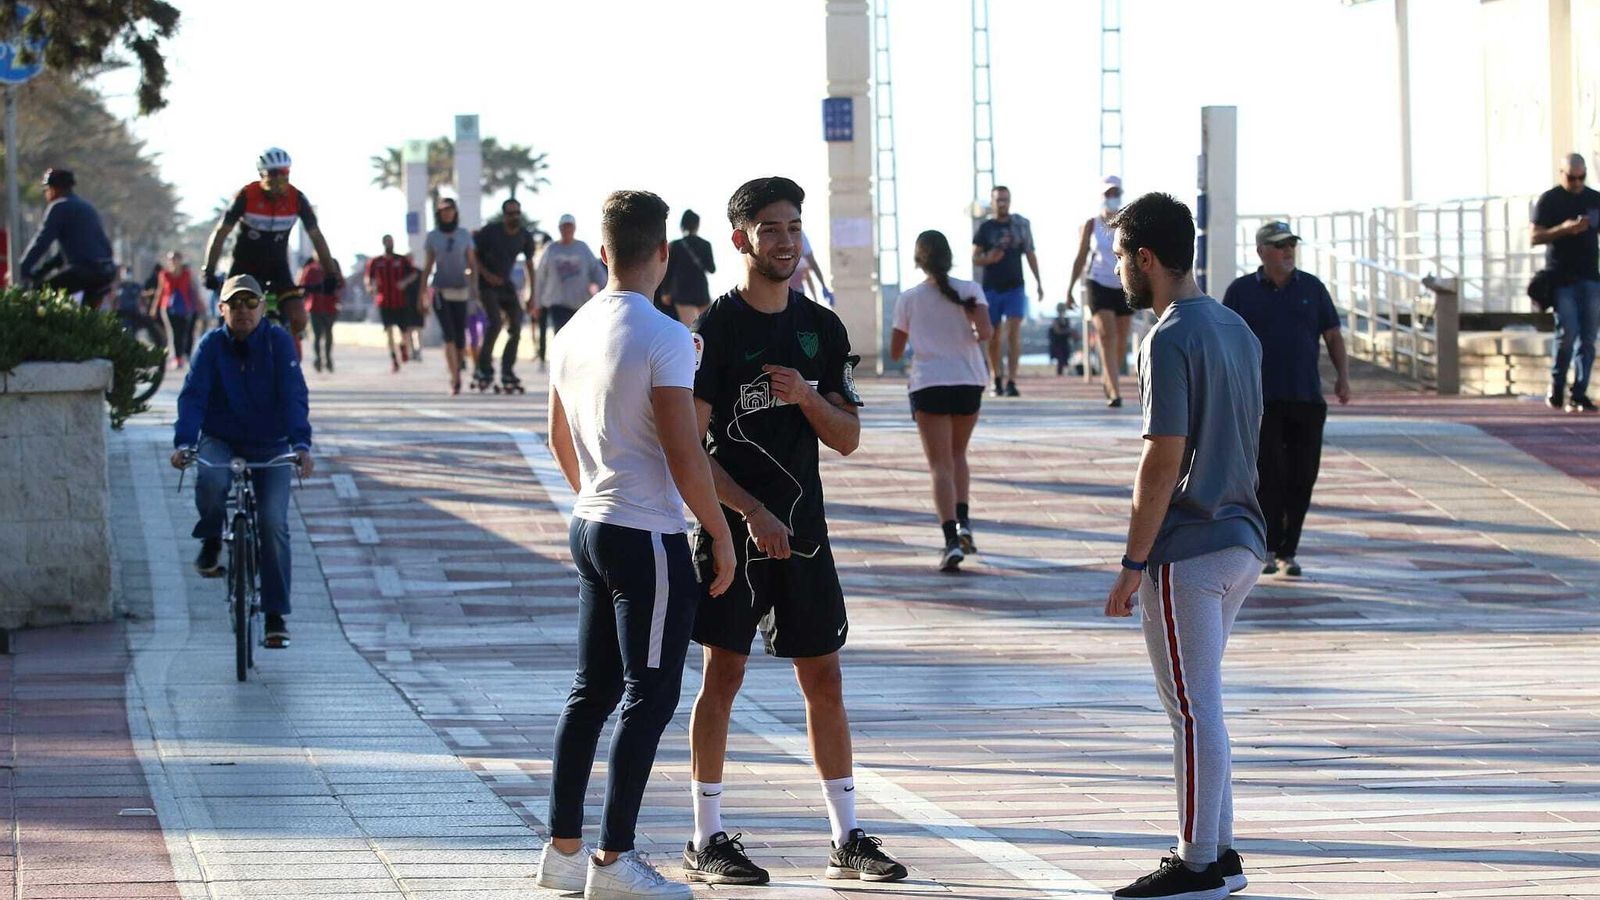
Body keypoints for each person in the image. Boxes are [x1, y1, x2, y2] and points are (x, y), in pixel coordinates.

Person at [682, 176, 906, 887]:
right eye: (770, 229)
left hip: (806, 536)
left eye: (793, 226)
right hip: (733, 536)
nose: (785, 241)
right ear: (740, 238)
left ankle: (847, 837)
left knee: (826, 679)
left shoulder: (822, 328)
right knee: (724, 674)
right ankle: (707, 838)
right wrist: (747, 512)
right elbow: (688, 449)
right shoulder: (714, 331)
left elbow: (849, 439)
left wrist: (807, 395)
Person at [534, 190, 735, 900]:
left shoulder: (574, 329)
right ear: (665, 255)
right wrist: (717, 531)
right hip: (646, 533)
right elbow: (686, 450)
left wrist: (594, 490)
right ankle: (614, 862)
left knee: (590, 692)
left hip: (590, 523)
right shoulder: (665, 334)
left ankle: (562, 851)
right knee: (649, 698)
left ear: (602, 250)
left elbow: (558, 436)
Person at [1101, 192, 1264, 900]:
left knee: (1193, 711)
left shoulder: (1168, 337)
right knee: (1206, 704)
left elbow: (1162, 458)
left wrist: (1134, 561)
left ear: (1146, 258)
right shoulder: (1237, 327)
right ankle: (1219, 853)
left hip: (1190, 545)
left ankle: (1197, 862)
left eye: (1119, 258)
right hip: (1244, 540)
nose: (1116, 273)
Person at [170, 274, 314, 651]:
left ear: (263, 307)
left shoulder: (279, 343)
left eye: (251, 303)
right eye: (234, 304)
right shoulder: (211, 346)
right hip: (222, 438)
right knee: (211, 479)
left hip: (270, 444)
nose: (243, 311)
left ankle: (274, 616)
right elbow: (193, 396)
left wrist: (301, 444)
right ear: (222, 309)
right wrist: (184, 442)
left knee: (271, 522)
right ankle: (213, 538)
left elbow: (294, 395)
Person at [1224, 221, 1350, 578]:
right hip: (1259, 402)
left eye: (1291, 245)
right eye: (1280, 246)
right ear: (1262, 251)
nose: (1287, 251)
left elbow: (1333, 335)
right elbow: (1225, 341)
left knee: (1302, 475)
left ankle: (1288, 550)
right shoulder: (1241, 291)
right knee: (1267, 475)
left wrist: (1343, 377)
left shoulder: (1311, 287)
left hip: (1306, 398)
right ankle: (1266, 546)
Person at [889, 230, 993, 572]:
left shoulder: (908, 298)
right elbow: (986, 333)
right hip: (968, 380)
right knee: (958, 454)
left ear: (919, 261)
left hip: (929, 383)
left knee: (940, 466)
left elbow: (895, 350)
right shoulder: (970, 290)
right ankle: (965, 524)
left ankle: (950, 540)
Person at [202, 148, 341, 353]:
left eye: (283, 173)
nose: (279, 179)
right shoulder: (246, 195)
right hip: (243, 267)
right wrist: (209, 270)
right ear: (262, 175)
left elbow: (317, 237)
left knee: (299, 318)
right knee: (233, 322)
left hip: (277, 267)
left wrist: (331, 273)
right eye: (273, 174)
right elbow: (221, 233)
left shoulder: (297, 199)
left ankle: (286, 357)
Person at [1531, 152, 1600, 413]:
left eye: (1582, 177)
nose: (1577, 183)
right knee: (1567, 333)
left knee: (1589, 338)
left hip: (1591, 277)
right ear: (1562, 174)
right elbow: (1535, 236)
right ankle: (1557, 386)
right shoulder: (1550, 200)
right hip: (1561, 278)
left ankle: (1580, 392)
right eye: (1572, 178)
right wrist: (1565, 229)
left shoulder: (1594, 199)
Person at [972, 185, 1042, 397]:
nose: (1003, 203)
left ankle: (1011, 379)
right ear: (992, 202)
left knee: (1013, 333)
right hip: (992, 288)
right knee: (993, 336)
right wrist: (988, 259)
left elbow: (1030, 253)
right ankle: (996, 377)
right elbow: (975, 257)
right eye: (999, 200)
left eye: (1006, 199)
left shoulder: (1020, 225)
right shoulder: (985, 228)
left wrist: (1039, 282)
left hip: (1015, 287)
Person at [1069, 175, 1132, 407]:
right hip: (1097, 283)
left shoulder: (1127, 224)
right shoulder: (1092, 224)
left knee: (1120, 340)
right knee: (1107, 335)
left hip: (1123, 284)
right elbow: (1080, 257)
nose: (1112, 198)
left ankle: (1108, 377)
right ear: (1101, 196)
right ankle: (1114, 390)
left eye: (1116, 193)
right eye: (1108, 194)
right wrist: (1070, 289)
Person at [18, 169, 117, 305]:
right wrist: (42, 271)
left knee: (39, 292)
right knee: (84, 316)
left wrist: (21, 268)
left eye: (46, 190)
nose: (46, 194)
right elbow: (63, 255)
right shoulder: (86, 207)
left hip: (86, 270)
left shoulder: (59, 207)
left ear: (54, 189)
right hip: (106, 269)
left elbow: (41, 242)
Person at [472, 198, 539, 391]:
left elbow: (529, 266)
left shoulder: (524, 236)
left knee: (517, 324)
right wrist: (486, 275)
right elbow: (473, 255)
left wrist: (532, 294)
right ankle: (484, 368)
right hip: (486, 284)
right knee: (495, 322)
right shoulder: (491, 232)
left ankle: (507, 370)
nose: (515, 217)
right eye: (510, 214)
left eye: (517, 213)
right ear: (504, 215)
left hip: (505, 284)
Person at [421, 198, 480, 395]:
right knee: (448, 336)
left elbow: (472, 263)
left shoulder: (464, 235)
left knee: (460, 337)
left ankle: (458, 363)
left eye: (450, 209)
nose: (447, 213)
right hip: (440, 291)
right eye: (443, 210)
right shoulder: (433, 236)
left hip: (461, 290)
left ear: (455, 212)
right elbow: (428, 265)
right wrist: (422, 292)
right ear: (438, 213)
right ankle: (455, 378)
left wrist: (474, 288)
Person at [536, 213, 606, 334]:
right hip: (558, 302)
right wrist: (537, 302)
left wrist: (605, 292)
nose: (567, 229)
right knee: (561, 334)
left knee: (579, 337)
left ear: (574, 228)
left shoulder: (582, 248)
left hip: (580, 303)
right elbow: (540, 277)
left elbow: (596, 272)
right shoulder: (551, 249)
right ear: (559, 229)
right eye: (564, 226)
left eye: (569, 226)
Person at [364, 235, 419, 373]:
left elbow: (413, 274)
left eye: (391, 241)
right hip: (384, 301)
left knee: (404, 331)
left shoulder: (401, 260)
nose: (389, 244)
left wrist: (404, 282)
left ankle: (403, 347)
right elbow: (368, 278)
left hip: (400, 300)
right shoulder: (376, 261)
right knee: (388, 331)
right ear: (383, 243)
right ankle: (394, 359)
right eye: (387, 241)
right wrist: (370, 287)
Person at [659, 209, 717, 325]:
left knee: (690, 330)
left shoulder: (675, 245)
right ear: (697, 225)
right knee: (708, 328)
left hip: (682, 293)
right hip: (701, 291)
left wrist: (665, 292)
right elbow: (711, 269)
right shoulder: (705, 245)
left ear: (683, 224)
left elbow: (668, 271)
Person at [156, 251, 203, 369]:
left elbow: (192, 289)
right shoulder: (164, 274)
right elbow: (160, 291)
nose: (173, 261)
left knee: (183, 332)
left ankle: (181, 356)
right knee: (173, 331)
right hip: (167, 307)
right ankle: (176, 357)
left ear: (180, 260)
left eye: (175, 258)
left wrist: (199, 303)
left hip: (184, 307)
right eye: (171, 259)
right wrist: (154, 307)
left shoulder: (186, 274)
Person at [298, 256, 341, 373]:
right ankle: (318, 358)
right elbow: (302, 286)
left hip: (330, 306)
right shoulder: (310, 269)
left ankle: (328, 358)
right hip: (315, 307)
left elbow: (341, 284)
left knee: (328, 333)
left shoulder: (333, 268)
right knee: (317, 335)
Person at [787, 230, 832, 303]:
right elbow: (812, 264)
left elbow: (810, 275)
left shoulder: (802, 263)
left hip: (797, 292)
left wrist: (816, 298)